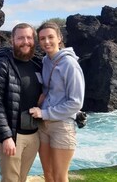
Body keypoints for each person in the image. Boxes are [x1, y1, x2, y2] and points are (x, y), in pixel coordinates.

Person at [0, 23, 43, 182]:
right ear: (12, 40)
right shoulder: (0, 66)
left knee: (22, 178)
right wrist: (6, 137)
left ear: (34, 39)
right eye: (20, 38)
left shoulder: (38, 64)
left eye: (29, 37)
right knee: (10, 179)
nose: (25, 41)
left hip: (33, 134)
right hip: (12, 136)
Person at [29, 21, 85, 182]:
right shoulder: (46, 61)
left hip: (62, 126)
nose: (47, 42)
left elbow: (76, 103)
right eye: (42, 38)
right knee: (48, 174)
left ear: (59, 38)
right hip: (43, 125)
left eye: (50, 37)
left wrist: (44, 112)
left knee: (60, 177)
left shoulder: (69, 64)